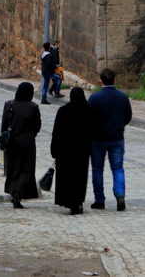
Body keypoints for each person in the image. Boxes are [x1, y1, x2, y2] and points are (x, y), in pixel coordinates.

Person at [88, 67, 132, 212]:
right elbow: (128, 116)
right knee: (118, 168)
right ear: (115, 79)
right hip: (117, 137)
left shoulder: (94, 98)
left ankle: (99, 200)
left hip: (98, 138)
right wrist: (119, 125)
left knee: (97, 169)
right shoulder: (122, 97)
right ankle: (120, 195)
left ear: (101, 80)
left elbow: (90, 118)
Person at [50, 87, 94, 215]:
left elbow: (56, 132)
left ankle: (68, 201)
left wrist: (54, 150)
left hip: (65, 151)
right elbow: (93, 131)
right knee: (80, 177)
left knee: (66, 177)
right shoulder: (90, 111)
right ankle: (78, 201)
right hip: (82, 151)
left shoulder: (63, 111)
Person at [1, 82, 41, 209]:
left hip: (12, 141)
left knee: (13, 168)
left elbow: (4, 125)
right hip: (27, 142)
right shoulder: (33, 107)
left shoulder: (9, 104)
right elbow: (37, 125)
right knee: (26, 169)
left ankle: (14, 193)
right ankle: (19, 194)